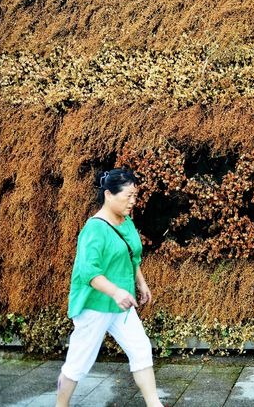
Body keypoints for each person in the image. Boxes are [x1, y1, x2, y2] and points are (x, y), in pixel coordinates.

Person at [56, 168, 163, 407]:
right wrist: (115, 291)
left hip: (121, 305)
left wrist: (141, 284)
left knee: (141, 349)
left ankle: (154, 404)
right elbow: (89, 273)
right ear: (108, 194)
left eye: (135, 196)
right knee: (78, 364)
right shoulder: (94, 229)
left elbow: (132, 256)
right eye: (128, 196)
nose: (133, 202)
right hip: (95, 305)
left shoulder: (126, 223)